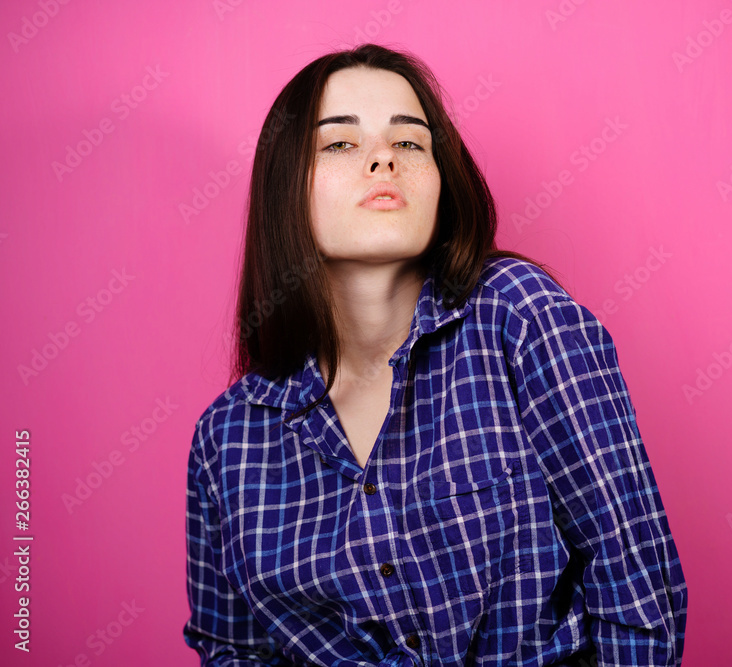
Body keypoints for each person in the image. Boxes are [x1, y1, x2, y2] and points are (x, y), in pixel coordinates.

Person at [183, 43, 687, 666]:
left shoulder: (521, 317)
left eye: (410, 142)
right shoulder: (226, 438)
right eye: (340, 143)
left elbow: (635, 581)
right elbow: (234, 651)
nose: (383, 159)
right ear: (283, 188)